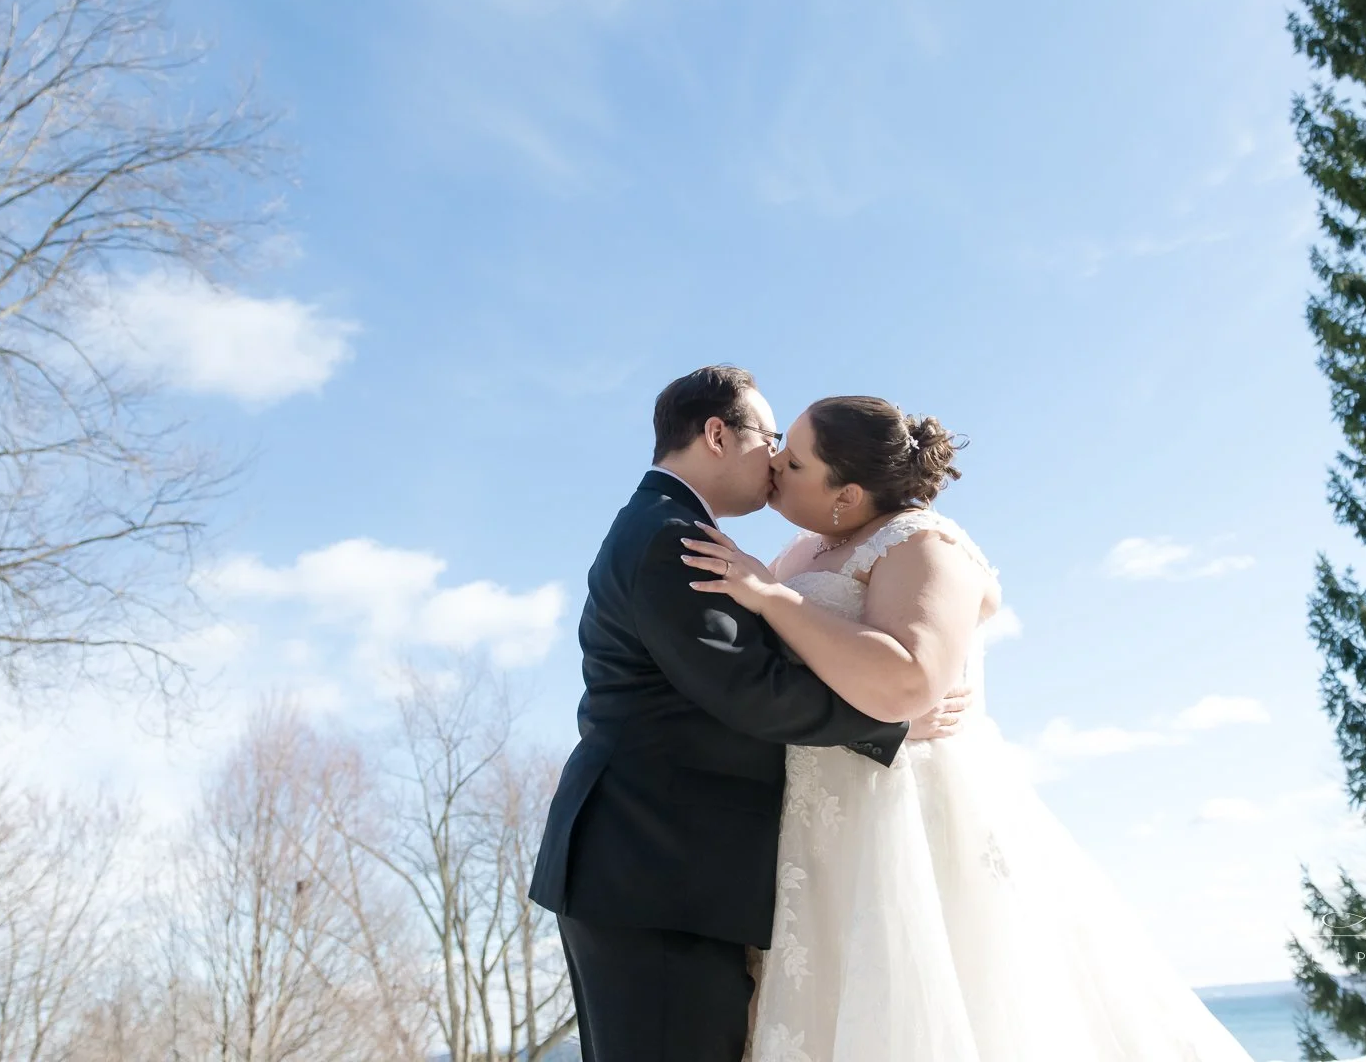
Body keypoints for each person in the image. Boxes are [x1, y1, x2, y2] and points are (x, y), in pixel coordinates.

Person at [682, 394, 1256, 1062]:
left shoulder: (924, 544)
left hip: (898, 818)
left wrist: (771, 598)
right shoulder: (800, 548)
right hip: (809, 819)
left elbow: (909, 682)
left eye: (797, 460)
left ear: (848, 494)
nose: (776, 464)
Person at [527, 367, 973, 1062]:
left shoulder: (674, 528)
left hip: (658, 872)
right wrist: (892, 724)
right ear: (715, 434)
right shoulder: (671, 538)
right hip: (654, 873)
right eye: (769, 439)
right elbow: (749, 691)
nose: (774, 461)